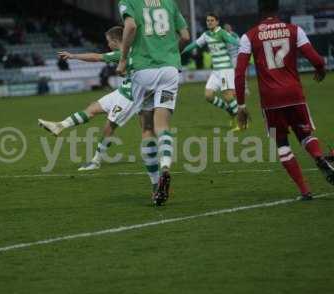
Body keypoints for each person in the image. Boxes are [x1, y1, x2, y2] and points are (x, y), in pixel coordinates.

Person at [235, 0, 333, 200]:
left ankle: (305, 191)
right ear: (277, 9)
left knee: (282, 143)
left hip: (270, 100)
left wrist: (241, 105)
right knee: (305, 134)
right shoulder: (294, 30)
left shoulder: (249, 36)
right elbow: (317, 60)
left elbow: (239, 72)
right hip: (294, 94)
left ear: (259, 10)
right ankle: (318, 157)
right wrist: (321, 70)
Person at [38, 26, 154, 177]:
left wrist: (73, 56)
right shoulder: (128, 52)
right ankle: (59, 126)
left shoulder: (127, 52)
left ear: (115, 40)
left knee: (109, 126)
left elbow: (97, 57)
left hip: (130, 98)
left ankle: (96, 160)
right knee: (92, 108)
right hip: (121, 91)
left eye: (108, 41)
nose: (107, 45)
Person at [117, 0, 190, 205]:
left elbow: (130, 26)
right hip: (169, 71)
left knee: (147, 129)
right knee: (163, 126)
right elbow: (185, 36)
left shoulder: (129, 2)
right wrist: (171, 53)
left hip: (144, 71)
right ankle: (166, 166)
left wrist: (123, 59)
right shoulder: (169, 3)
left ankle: (155, 183)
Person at [182, 14, 240, 130]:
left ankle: (241, 120)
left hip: (225, 70)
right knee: (208, 95)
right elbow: (195, 44)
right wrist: (183, 51)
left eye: (212, 20)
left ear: (217, 22)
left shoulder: (222, 33)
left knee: (228, 96)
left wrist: (244, 46)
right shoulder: (206, 35)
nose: (209, 22)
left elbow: (233, 40)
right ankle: (230, 110)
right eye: (207, 20)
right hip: (216, 71)